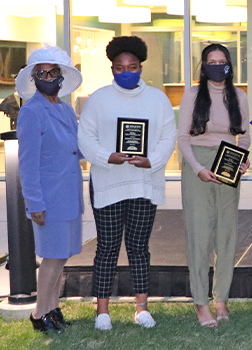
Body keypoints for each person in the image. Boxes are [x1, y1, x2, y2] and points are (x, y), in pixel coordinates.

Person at [77, 36, 177, 331]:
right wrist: (107, 156)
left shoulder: (158, 99)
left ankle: (142, 308)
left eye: (132, 66)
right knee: (106, 247)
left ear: (141, 67)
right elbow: (85, 136)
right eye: (120, 67)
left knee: (139, 247)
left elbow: (167, 137)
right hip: (108, 181)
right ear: (112, 69)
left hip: (144, 182)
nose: (126, 72)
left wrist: (153, 160)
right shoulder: (98, 99)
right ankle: (102, 311)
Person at [178, 44, 250, 327]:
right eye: (212, 62)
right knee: (199, 235)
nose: (217, 66)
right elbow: (183, 137)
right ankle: (201, 303)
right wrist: (197, 168)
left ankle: (221, 300)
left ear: (230, 65)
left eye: (222, 62)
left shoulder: (239, 96)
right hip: (198, 164)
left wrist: (242, 161)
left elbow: (243, 137)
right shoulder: (193, 95)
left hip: (228, 163)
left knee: (226, 233)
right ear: (204, 66)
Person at [16, 45, 84, 332]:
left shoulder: (66, 109)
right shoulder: (31, 112)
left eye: (52, 72)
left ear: (61, 76)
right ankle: (39, 313)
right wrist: (34, 203)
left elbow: (78, 148)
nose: (47, 77)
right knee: (52, 258)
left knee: (62, 256)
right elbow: (27, 164)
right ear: (34, 79)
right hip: (48, 199)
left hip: (70, 195)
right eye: (41, 73)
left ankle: (53, 309)